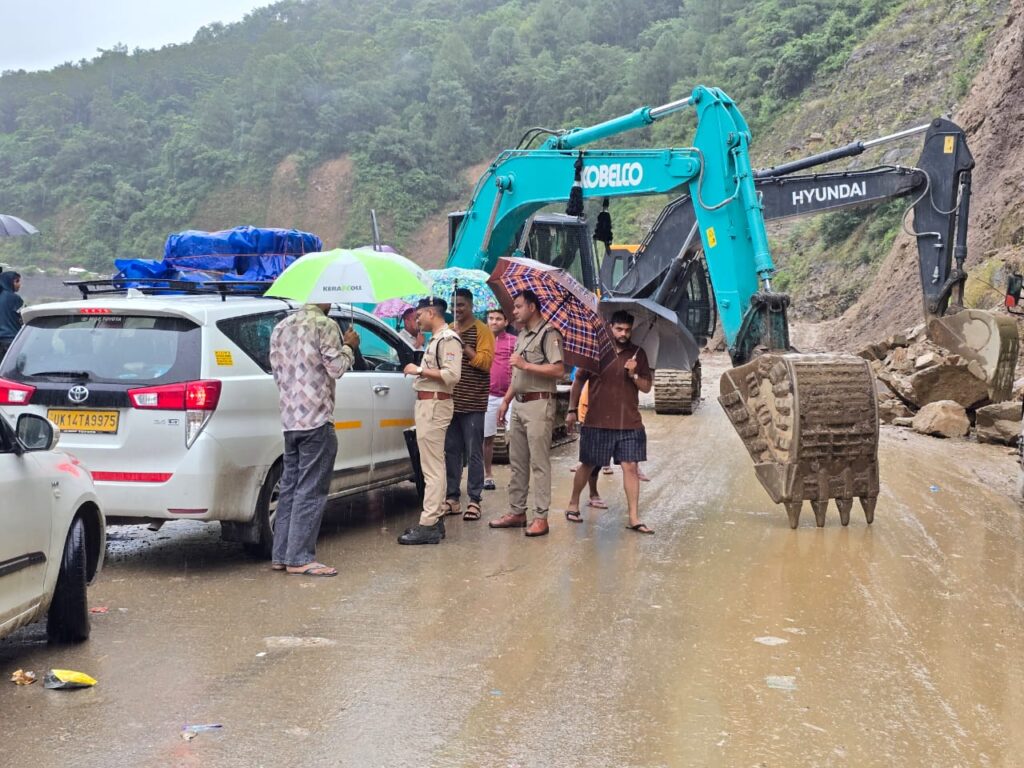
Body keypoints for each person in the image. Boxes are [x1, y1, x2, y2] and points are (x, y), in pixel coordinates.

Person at [269, 303, 361, 576]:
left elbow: (277, 373)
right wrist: (349, 346)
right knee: (311, 491)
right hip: (317, 419)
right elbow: (336, 368)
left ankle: (281, 555)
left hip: (290, 420)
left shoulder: (281, 326)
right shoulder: (325, 325)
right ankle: (299, 558)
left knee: (290, 488)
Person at [563, 310, 655, 534]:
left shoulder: (638, 354)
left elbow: (646, 387)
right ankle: (573, 503)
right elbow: (578, 381)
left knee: (630, 467)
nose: (623, 334)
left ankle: (633, 516)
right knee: (587, 463)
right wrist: (572, 410)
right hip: (597, 420)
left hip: (630, 422)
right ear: (610, 327)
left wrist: (634, 374)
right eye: (619, 329)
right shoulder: (596, 350)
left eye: (627, 330)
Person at [489, 290, 565, 538]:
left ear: (532, 307)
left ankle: (540, 517)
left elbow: (558, 370)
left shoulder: (549, 334)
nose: (514, 311)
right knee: (517, 461)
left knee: (539, 463)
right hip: (519, 404)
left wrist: (526, 364)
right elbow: (517, 375)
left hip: (539, 404)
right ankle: (517, 511)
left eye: (519, 306)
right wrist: (506, 401)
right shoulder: (521, 335)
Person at [399, 297, 462, 545]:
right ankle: (433, 519)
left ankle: (430, 523)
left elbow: (451, 375)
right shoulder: (437, 339)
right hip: (429, 403)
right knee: (431, 465)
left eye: (419, 315)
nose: (417, 320)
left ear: (430, 313)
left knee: (432, 468)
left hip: (436, 404)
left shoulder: (448, 339)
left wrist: (419, 370)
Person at [444, 288, 494, 521]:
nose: (457, 309)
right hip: (450, 402)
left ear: (471, 306)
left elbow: (485, 363)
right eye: (454, 305)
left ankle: (474, 500)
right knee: (451, 451)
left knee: (474, 452)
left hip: (473, 402)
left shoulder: (483, 331)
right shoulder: (448, 330)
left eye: (461, 305)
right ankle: (452, 498)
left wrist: (462, 343)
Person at [483, 308, 516, 490]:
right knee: (487, 437)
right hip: (488, 395)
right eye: (491, 318)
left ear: (506, 322)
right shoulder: (480, 340)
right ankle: (487, 475)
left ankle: (515, 475)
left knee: (513, 437)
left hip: (510, 396)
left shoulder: (514, 341)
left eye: (498, 319)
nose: (494, 322)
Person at [0, 271, 24, 360]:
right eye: (17, 281)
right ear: (9, 282)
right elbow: (24, 318)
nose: (19, 284)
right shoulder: (14, 298)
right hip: (10, 341)